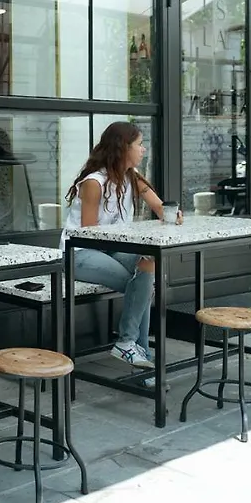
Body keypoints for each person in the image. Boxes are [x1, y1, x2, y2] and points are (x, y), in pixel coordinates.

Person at [61, 121, 181, 371]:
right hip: (80, 252)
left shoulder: (132, 177)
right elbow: (89, 234)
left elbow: (159, 206)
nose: (143, 149)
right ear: (123, 147)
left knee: (149, 263)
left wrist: (171, 214)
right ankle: (139, 354)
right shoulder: (94, 183)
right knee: (139, 286)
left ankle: (129, 346)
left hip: (112, 248)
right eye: (139, 144)